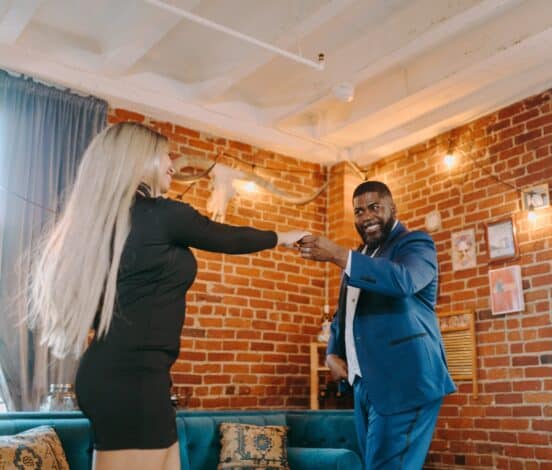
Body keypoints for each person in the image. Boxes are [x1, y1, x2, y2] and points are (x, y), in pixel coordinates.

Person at [29, 122, 308, 470]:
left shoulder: (108, 224)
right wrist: (285, 235)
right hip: (130, 380)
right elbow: (228, 238)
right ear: (139, 160)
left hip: (133, 376)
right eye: (164, 155)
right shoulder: (162, 216)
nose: (172, 164)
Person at [298, 181, 456, 469]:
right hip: (364, 384)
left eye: (374, 207)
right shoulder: (360, 256)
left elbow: (403, 281)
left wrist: (338, 254)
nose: (366, 216)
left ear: (392, 208)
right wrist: (332, 353)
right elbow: (343, 314)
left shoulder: (415, 243)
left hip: (405, 381)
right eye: (359, 211)